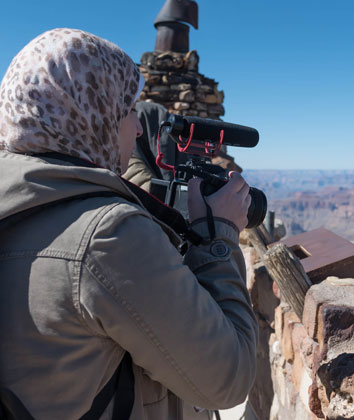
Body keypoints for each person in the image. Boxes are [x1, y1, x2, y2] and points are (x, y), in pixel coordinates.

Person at [0, 28, 257, 419]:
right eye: (128, 111)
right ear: (90, 114)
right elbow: (228, 377)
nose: (138, 129)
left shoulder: (19, 203)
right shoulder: (106, 236)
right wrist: (218, 234)